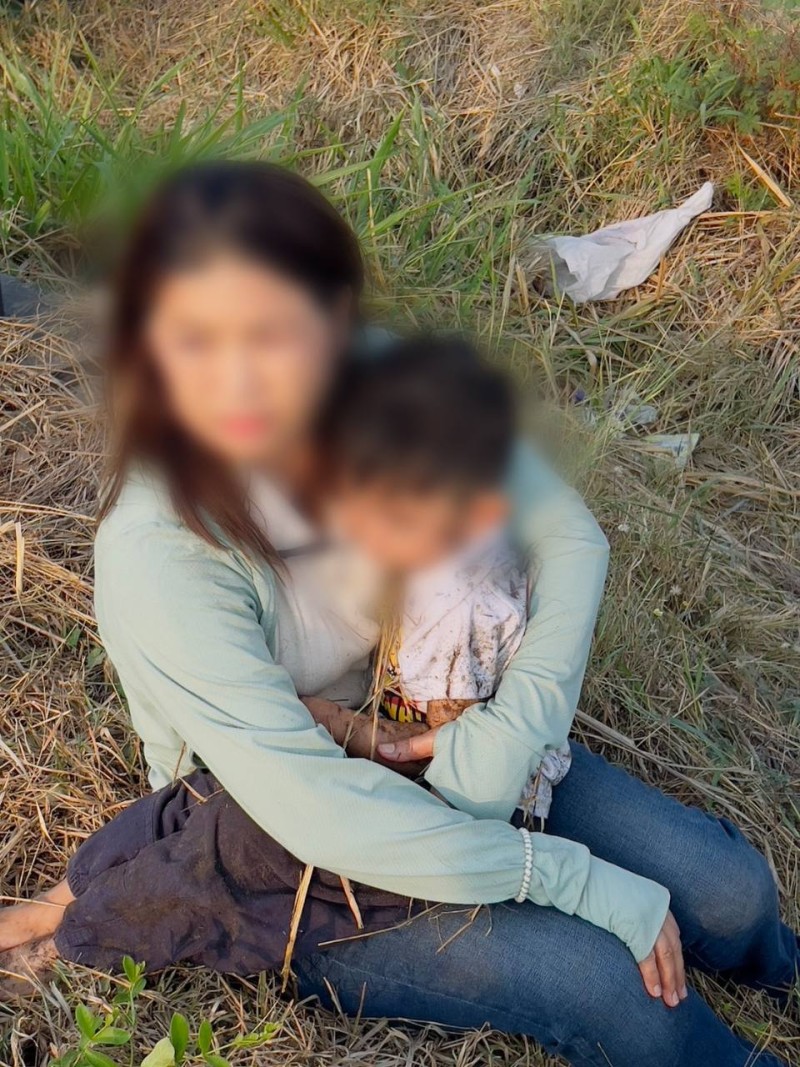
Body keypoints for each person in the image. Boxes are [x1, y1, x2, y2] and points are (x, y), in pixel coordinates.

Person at [0, 162, 795, 1067]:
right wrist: (566, 875)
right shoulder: (162, 548)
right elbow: (316, 810)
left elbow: (568, 533)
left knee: (733, 893)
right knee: (617, 991)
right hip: (281, 838)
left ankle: (782, 973)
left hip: (433, 718)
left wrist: (511, 728)